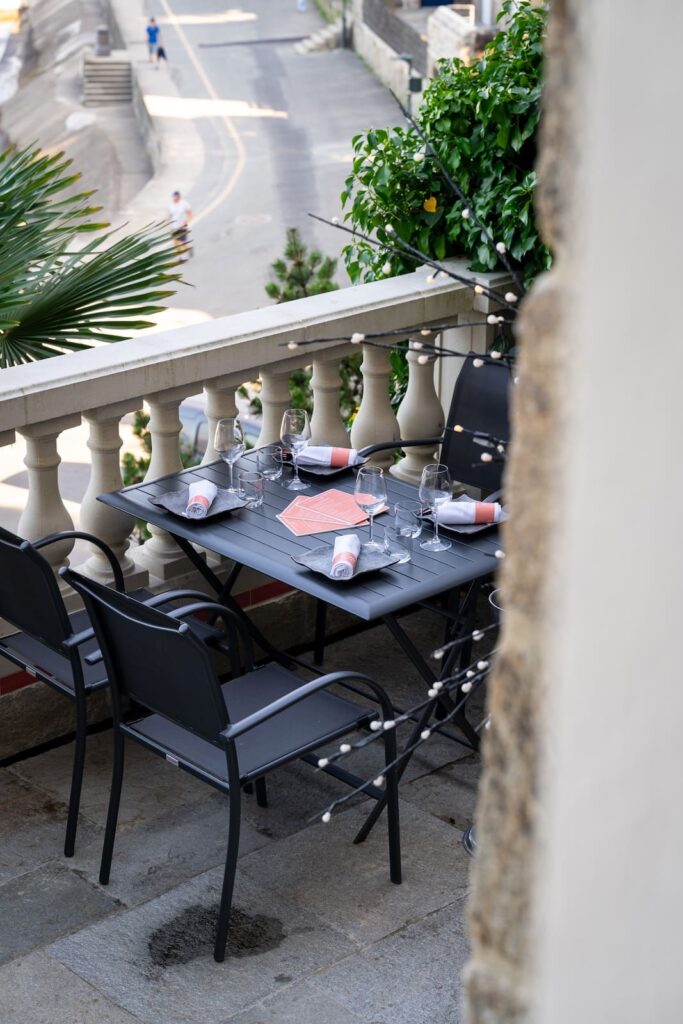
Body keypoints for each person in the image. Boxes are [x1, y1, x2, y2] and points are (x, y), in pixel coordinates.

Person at [168, 190, 192, 258]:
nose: (175, 198)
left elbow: (190, 213)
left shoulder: (184, 204)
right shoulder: (171, 205)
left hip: (182, 226)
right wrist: (167, 222)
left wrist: (186, 221)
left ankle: (183, 255)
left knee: (181, 242)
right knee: (175, 242)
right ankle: (184, 252)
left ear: (179, 197)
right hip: (174, 227)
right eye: (174, 197)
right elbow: (170, 215)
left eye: (176, 197)